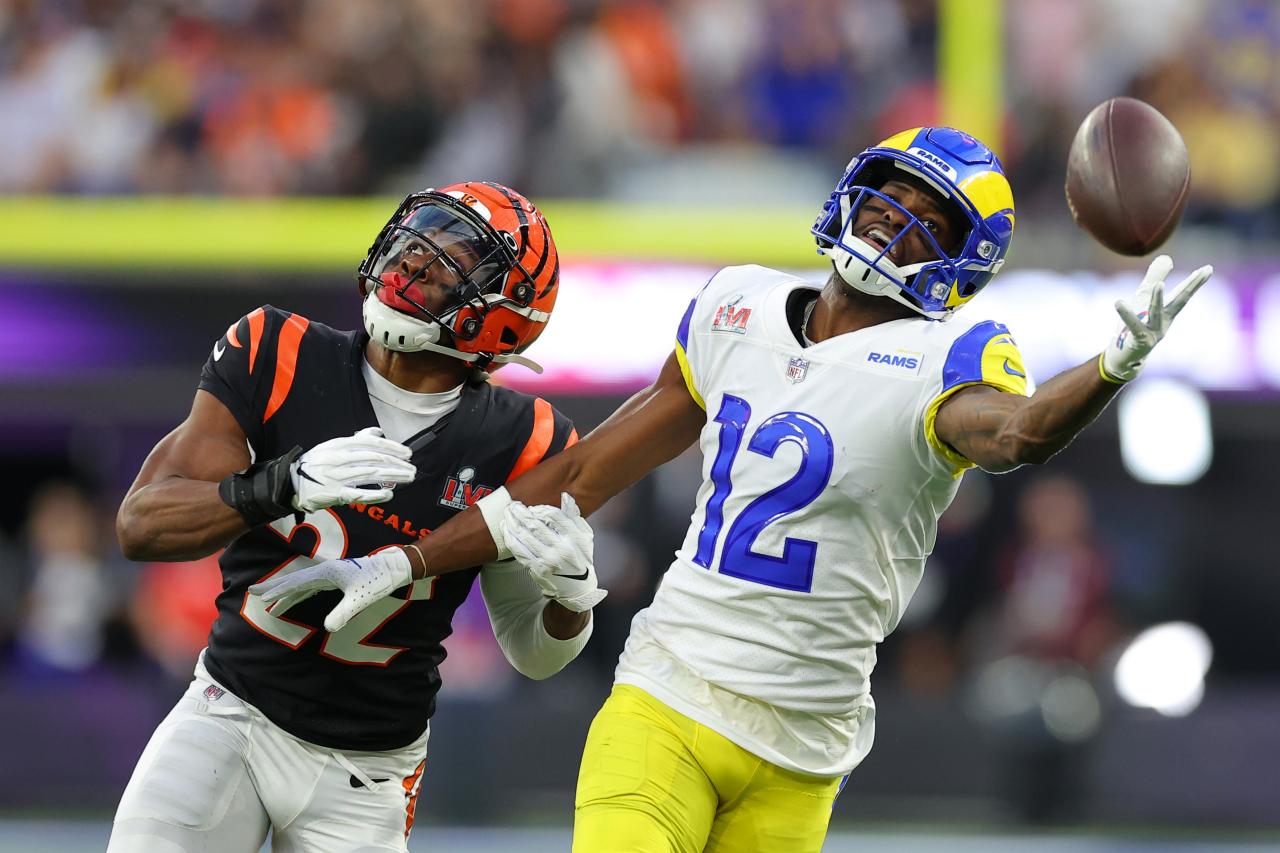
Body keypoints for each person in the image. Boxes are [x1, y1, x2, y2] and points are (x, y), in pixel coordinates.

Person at [255, 127, 1213, 852]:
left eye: (929, 217)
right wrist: (409, 557)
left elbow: (1016, 433)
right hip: (668, 694)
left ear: (962, 261)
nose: (893, 217)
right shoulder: (738, 305)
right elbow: (584, 472)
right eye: (886, 193)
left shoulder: (951, 356)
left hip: (806, 744)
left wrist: (1113, 365)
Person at [110, 181, 605, 853]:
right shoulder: (277, 351)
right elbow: (141, 525)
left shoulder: (527, 440)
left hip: (369, 769)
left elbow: (533, 650)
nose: (413, 258)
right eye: (416, 235)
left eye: (452, 257)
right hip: (231, 712)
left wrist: (572, 599)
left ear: (501, 314)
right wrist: (280, 485)